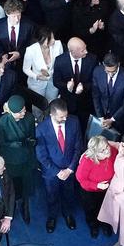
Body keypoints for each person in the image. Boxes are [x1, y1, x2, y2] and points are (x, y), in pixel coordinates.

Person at [36, 98, 84, 233]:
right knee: (52, 195)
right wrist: (57, 172)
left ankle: (68, 214)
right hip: (51, 172)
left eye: (66, 116)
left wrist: (70, 169)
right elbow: (41, 155)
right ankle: (52, 217)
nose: (65, 119)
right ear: (51, 114)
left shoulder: (74, 122)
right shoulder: (41, 129)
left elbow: (78, 147)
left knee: (69, 193)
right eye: (61, 117)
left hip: (69, 169)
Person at [0, 96, 38, 221]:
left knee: (26, 184)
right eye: (20, 112)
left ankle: (25, 206)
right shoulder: (3, 122)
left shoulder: (29, 118)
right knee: (12, 185)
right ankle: (11, 206)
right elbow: (1, 142)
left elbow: (33, 136)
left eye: (24, 109)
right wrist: (14, 144)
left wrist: (31, 142)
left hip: (26, 157)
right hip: (11, 159)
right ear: (12, 112)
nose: (23, 112)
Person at [53, 37, 97, 124]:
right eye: (82, 50)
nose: (86, 52)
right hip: (68, 103)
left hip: (85, 103)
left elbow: (95, 82)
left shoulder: (92, 59)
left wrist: (84, 87)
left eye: (85, 48)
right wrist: (66, 86)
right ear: (72, 52)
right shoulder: (60, 61)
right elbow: (56, 81)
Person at [23, 26, 63, 102]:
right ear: (42, 40)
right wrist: (36, 76)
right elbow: (26, 69)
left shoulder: (58, 45)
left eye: (53, 37)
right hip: (37, 84)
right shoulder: (31, 50)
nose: (54, 40)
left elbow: (61, 63)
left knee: (52, 102)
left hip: (53, 82)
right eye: (50, 38)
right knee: (38, 106)